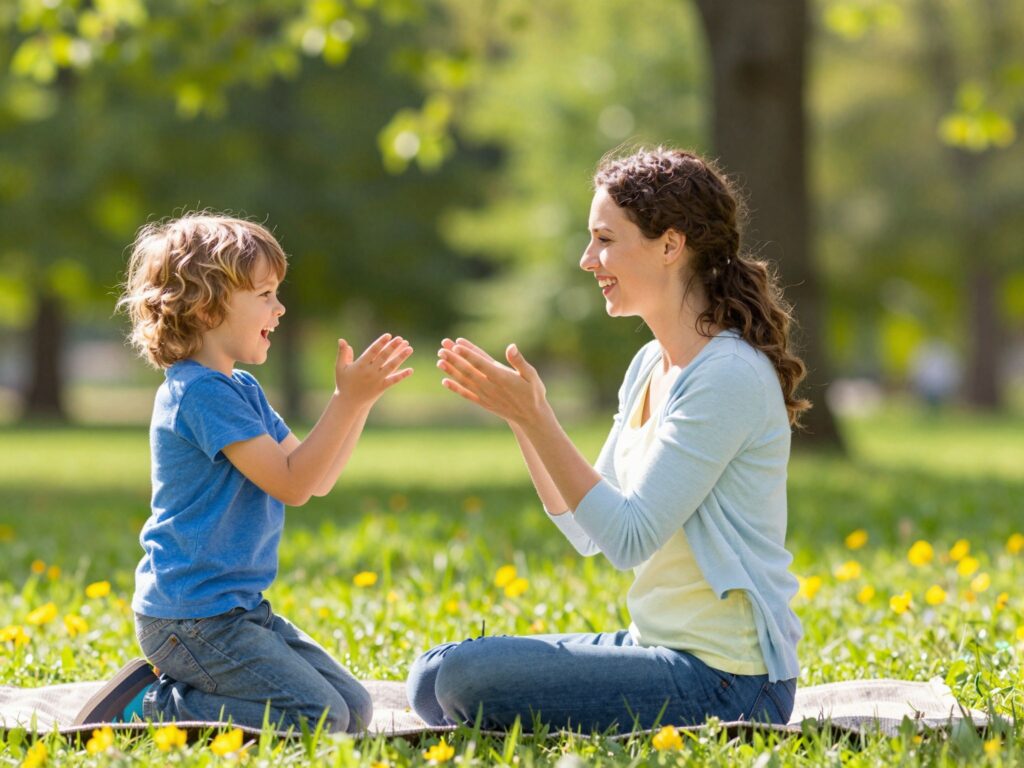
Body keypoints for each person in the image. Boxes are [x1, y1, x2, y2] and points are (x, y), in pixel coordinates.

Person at [406, 147, 809, 732]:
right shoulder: (650, 363)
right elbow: (586, 529)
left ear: (670, 245)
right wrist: (526, 417)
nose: (587, 259)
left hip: (730, 681)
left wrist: (539, 421)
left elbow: (628, 539)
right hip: (656, 648)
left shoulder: (727, 375)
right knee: (431, 676)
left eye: (604, 239)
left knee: (462, 679)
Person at [74, 213, 413, 732]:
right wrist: (347, 401)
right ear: (207, 306)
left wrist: (358, 403)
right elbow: (294, 484)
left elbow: (314, 478)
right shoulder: (199, 392)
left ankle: (180, 696)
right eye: (265, 294)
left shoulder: (241, 389)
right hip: (191, 619)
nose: (279, 310)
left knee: (355, 711)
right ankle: (155, 706)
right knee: (319, 718)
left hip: (238, 612)